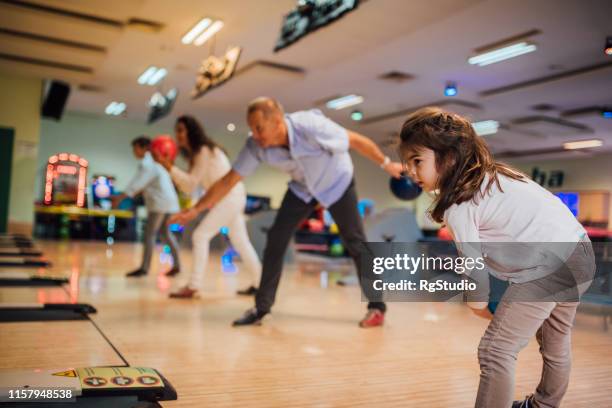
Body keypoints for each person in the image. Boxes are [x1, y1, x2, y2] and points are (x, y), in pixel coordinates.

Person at [399, 107, 595, 408]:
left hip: (550, 265)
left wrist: (477, 305)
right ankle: (543, 405)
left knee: (495, 350)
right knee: (555, 343)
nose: (410, 172)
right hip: (581, 253)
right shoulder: (500, 176)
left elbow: (473, 267)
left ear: (449, 157)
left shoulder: (459, 205)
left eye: (417, 161)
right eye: (407, 163)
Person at [169, 97, 403, 327]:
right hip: (303, 188)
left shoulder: (310, 125)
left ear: (278, 121)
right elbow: (229, 180)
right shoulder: (256, 146)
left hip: (337, 182)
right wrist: (196, 209)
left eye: (259, 128)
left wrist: (386, 164)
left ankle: (377, 308)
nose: (255, 135)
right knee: (276, 238)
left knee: (356, 242)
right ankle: (261, 308)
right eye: (252, 128)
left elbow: (355, 140)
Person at [155, 115, 261, 298]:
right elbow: (191, 187)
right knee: (241, 243)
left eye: (181, 130)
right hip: (230, 197)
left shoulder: (203, 151)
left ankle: (194, 286)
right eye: (176, 130)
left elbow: (190, 184)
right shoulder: (199, 154)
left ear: (191, 131)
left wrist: (168, 167)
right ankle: (260, 284)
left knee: (200, 235)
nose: (177, 135)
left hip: (230, 197)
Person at [112, 136, 181, 277]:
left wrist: (120, 197)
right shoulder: (154, 162)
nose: (134, 151)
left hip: (160, 203)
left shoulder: (148, 163)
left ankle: (144, 268)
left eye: (135, 148)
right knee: (165, 233)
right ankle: (177, 265)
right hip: (168, 202)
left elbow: (137, 183)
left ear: (143, 148)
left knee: (150, 234)